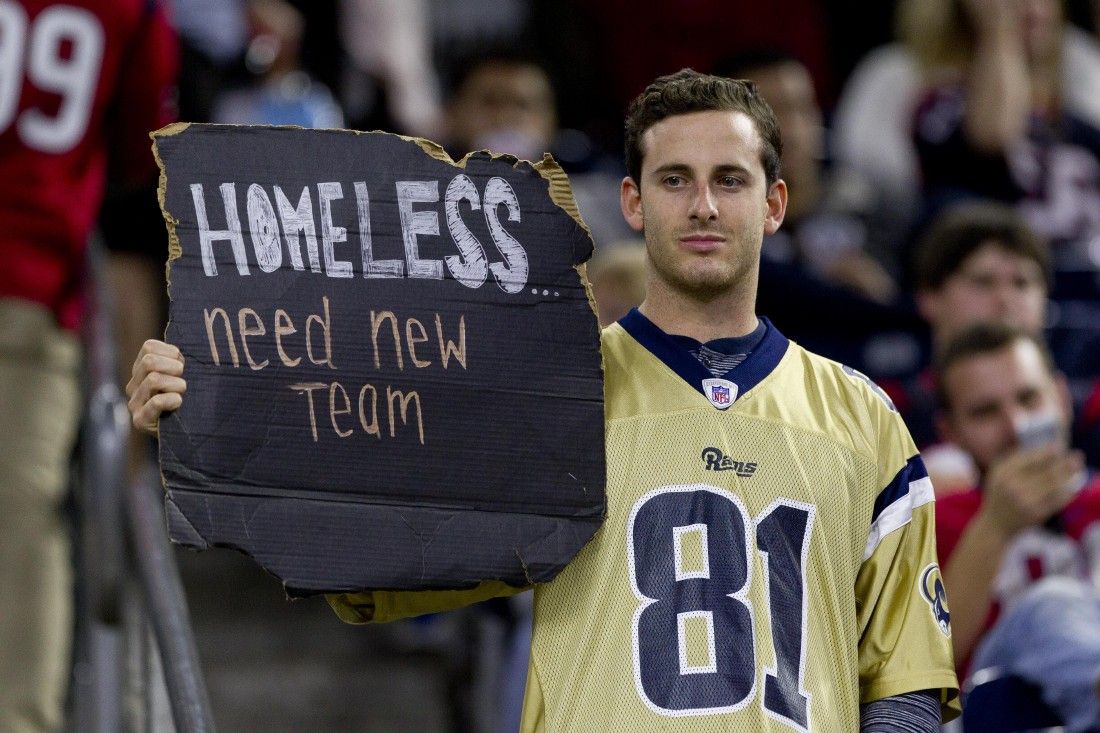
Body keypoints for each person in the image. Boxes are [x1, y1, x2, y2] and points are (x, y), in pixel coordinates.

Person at [127, 69, 959, 730]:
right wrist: (213, 405)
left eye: (730, 179)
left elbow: (907, 679)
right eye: (674, 179)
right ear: (632, 202)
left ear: (774, 203)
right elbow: (369, 553)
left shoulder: (865, 418)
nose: (704, 205)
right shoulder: (533, 393)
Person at [0, 1, 177, 730]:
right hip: (26, 287)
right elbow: (141, 171)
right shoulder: (128, 8)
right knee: (19, 526)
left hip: (28, 290)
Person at [933, 323, 1100, 730]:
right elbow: (920, 672)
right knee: (1050, 604)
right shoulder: (930, 520)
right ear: (951, 432)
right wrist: (995, 525)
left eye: (1029, 398)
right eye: (985, 412)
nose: (1015, 426)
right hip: (984, 712)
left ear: (1061, 398)